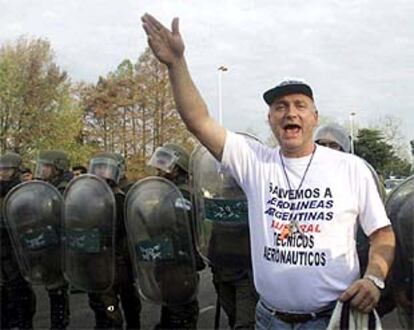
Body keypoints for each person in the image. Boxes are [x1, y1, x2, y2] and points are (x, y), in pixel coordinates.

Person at [141, 14, 395, 329]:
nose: (290, 112)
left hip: (330, 319)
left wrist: (374, 278)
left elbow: (382, 234)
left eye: (300, 105)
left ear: (314, 117)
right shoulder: (255, 162)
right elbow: (198, 120)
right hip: (269, 319)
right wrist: (176, 63)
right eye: (280, 107)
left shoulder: (350, 169)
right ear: (270, 120)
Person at [149, 143, 204, 329]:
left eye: (164, 163)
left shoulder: (182, 195)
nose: (159, 169)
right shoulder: (169, 192)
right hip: (169, 265)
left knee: (180, 316)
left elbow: (181, 232)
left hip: (178, 266)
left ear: (177, 167)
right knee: (171, 314)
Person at [87, 152, 141, 329]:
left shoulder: (121, 198)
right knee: (108, 305)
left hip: (120, 263)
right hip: (101, 264)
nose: (101, 172)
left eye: (105, 168)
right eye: (98, 168)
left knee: (129, 302)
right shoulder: (89, 198)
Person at [35, 150, 71, 329]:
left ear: (59, 167)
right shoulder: (44, 186)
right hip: (47, 244)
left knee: (57, 288)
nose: (42, 170)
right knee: (52, 287)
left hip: (59, 245)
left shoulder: (64, 187)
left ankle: (59, 324)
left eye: (47, 166)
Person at [0, 152, 37, 329]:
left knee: (19, 289)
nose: (2, 173)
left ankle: (22, 323)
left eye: (6, 170)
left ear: (15, 171)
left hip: (17, 247)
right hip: (2, 247)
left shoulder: (22, 193)